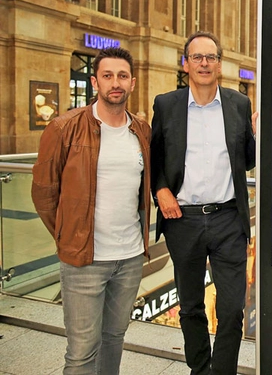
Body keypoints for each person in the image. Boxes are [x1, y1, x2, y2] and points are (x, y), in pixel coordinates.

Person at [31, 47, 152, 374]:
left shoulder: (140, 130)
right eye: (108, 75)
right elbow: (44, 193)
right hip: (85, 259)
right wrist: (70, 235)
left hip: (128, 258)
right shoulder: (64, 127)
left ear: (133, 83)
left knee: (114, 338)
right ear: (95, 81)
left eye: (122, 76)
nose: (116, 83)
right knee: (82, 352)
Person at [150, 31, 257, 375]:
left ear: (219, 64)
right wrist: (160, 189)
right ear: (186, 64)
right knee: (191, 307)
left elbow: (248, 161)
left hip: (228, 219)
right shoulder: (166, 105)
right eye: (197, 57)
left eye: (210, 57)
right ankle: (200, 370)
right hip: (184, 220)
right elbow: (154, 157)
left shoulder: (238, 104)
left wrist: (259, 134)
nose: (204, 63)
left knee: (231, 310)